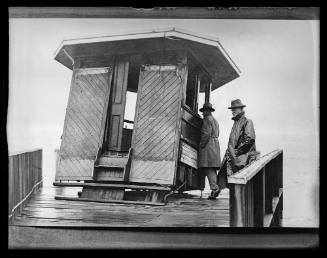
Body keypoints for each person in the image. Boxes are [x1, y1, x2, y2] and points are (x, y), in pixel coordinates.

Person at [218, 99, 258, 190]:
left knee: (240, 185)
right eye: (232, 109)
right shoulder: (236, 123)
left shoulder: (247, 121)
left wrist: (235, 152)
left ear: (241, 109)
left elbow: (250, 140)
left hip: (243, 159)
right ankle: (217, 191)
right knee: (232, 183)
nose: (232, 111)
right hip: (235, 159)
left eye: (235, 109)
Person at [198, 102, 222, 200]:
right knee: (211, 168)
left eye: (204, 111)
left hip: (208, 146)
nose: (203, 113)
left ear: (207, 111)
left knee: (208, 167)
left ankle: (215, 188)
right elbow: (218, 133)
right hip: (215, 145)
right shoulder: (215, 121)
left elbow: (206, 134)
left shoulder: (207, 120)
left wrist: (201, 144)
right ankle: (214, 188)